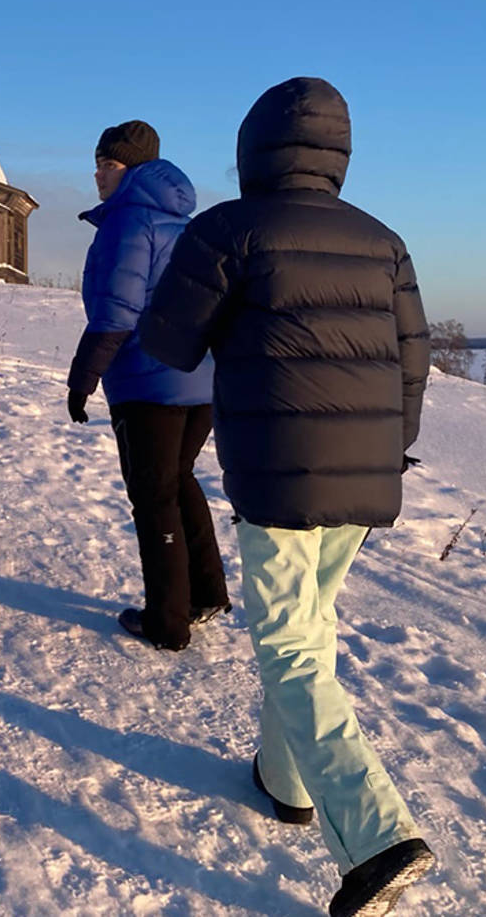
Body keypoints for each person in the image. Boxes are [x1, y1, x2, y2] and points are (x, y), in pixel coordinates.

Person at [138, 78, 435, 916]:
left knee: (291, 647)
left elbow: (166, 340)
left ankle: (377, 837)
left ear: (252, 147)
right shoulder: (384, 241)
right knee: (308, 626)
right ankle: (286, 779)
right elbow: (413, 364)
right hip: (369, 473)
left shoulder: (229, 229)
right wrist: (388, 451)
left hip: (276, 472)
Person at [65, 120, 225, 652]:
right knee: (179, 482)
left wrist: (83, 378)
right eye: (97, 164)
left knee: (154, 498)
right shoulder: (184, 223)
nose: (97, 176)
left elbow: (116, 312)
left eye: (107, 166)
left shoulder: (130, 224)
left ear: (131, 170)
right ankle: (206, 594)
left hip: (147, 385)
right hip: (196, 381)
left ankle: (167, 620)